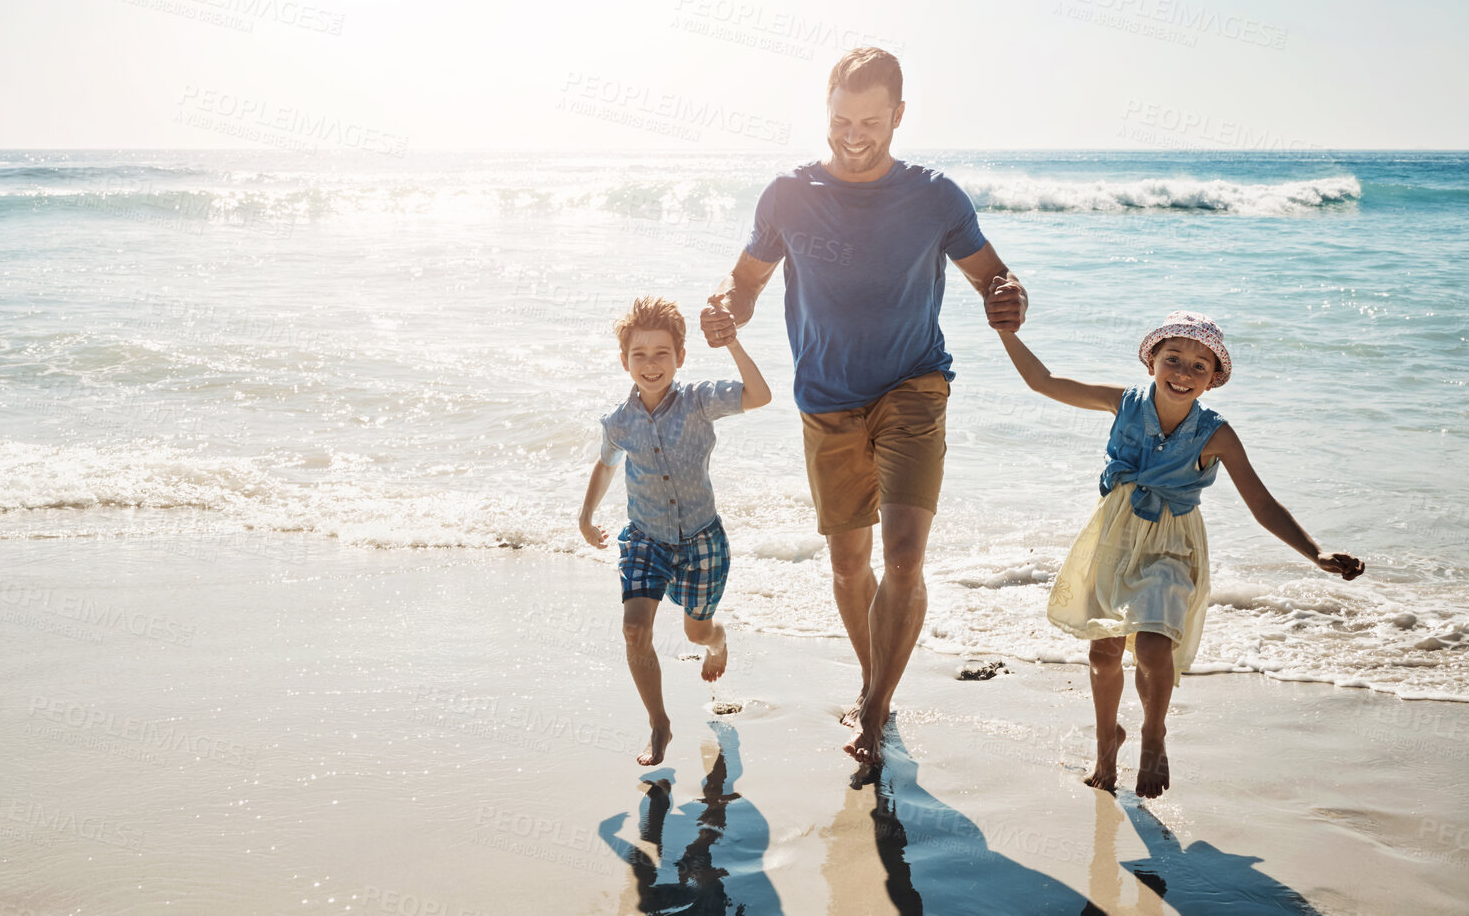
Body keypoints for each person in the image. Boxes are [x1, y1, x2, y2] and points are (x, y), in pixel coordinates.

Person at [701, 47, 1027, 765]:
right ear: (826, 112)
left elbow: (990, 274)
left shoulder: (936, 197)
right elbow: (748, 280)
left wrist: (1009, 295)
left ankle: (875, 708)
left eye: (871, 121)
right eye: (842, 119)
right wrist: (728, 308)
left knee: (903, 558)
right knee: (850, 565)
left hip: (914, 386)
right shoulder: (788, 194)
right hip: (827, 398)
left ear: (899, 117)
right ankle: (873, 679)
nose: (854, 134)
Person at [995, 308, 1365, 797]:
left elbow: (1263, 504)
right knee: (1104, 652)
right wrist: (1006, 332)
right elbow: (1043, 381)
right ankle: (1107, 743)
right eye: (1174, 358)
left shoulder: (1216, 434)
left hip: (1174, 544)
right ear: (1152, 362)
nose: (1184, 373)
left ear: (1213, 380)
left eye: (1199, 366)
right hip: (1114, 537)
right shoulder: (1123, 403)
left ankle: (1153, 734)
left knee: (1152, 644)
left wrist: (1314, 554)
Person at [578, 296, 771, 766]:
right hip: (646, 539)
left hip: (703, 541)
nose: (650, 365)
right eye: (639, 355)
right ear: (624, 361)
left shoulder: (700, 401)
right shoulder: (618, 422)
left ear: (680, 358)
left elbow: (760, 394)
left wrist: (733, 342)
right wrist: (585, 517)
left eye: (662, 353)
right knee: (633, 628)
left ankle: (718, 641)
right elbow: (605, 467)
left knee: (695, 632)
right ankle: (659, 724)